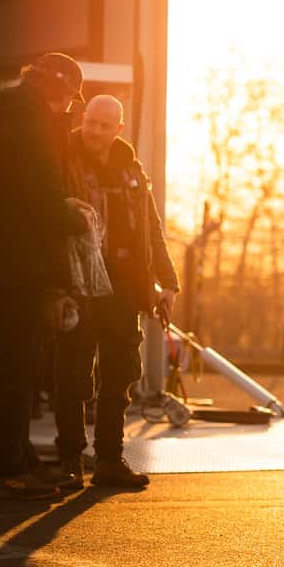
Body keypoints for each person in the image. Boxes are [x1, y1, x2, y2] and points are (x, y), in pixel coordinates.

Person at [0, 52, 90, 500]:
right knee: (19, 366)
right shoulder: (33, 123)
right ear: (55, 88)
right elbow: (42, 197)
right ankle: (11, 470)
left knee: (16, 361)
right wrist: (76, 216)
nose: (69, 109)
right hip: (19, 262)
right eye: (70, 99)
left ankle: (23, 459)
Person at [54, 95, 180, 487]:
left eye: (105, 125)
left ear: (118, 129)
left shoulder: (132, 170)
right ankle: (70, 462)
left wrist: (168, 282)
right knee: (73, 375)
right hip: (78, 285)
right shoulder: (62, 160)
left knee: (120, 375)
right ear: (84, 119)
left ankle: (109, 460)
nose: (95, 131)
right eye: (91, 122)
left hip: (124, 289)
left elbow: (151, 228)